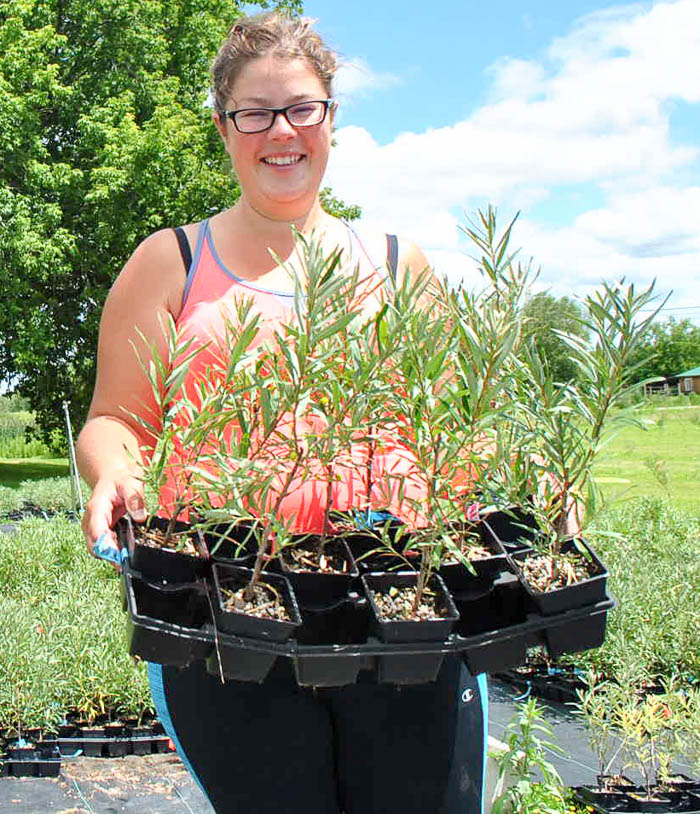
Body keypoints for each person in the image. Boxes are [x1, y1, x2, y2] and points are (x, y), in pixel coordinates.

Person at [77, 12, 489, 813]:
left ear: (331, 116)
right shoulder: (171, 262)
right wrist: (115, 473)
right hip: (228, 610)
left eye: (301, 107)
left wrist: (532, 482)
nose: (281, 132)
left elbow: (460, 430)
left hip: (401, 606)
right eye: (254, 112)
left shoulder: (402, 269)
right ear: (224, 127)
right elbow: (113, 419)